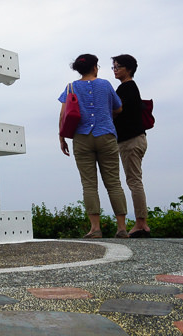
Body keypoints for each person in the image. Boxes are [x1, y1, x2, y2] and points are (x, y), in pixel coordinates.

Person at [58, 54, 129, 238]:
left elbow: (64, 114)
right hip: (105, 134)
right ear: (95, 67)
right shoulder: (105, 85)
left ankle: (95, 228)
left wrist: (62, 138)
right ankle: (121, 228)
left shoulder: (70, 87)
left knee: (89, 185)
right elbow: (119, 107)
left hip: (81, 137)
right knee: (113, 182)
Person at [111, 54, 150, 237]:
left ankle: (141, 223)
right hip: (135, 139)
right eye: (114, 66)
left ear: (128, 69)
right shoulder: (129, 88)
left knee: (134, 181)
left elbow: (116, 112)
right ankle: (141, 222)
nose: (115, 69)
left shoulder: (126, 88)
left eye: (118, 66)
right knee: (134, 180)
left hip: (130, 141)